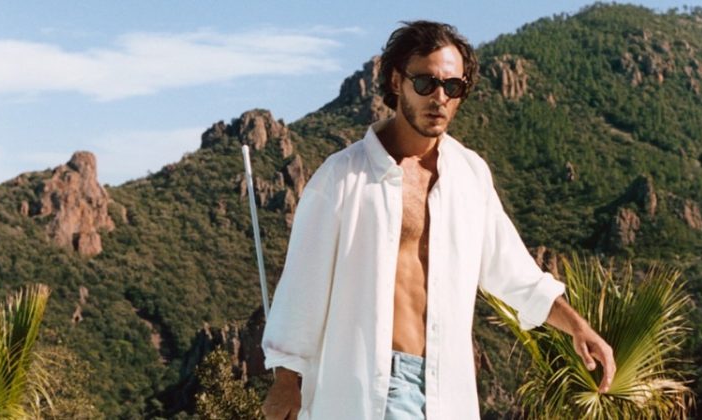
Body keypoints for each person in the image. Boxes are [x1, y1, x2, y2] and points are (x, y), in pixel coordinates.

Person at [261, 20, 615, 420]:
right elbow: (302, 285)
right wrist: (286, 381)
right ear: (397, 82)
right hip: (371, 387)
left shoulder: (470, 174)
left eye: (452, 87)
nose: (439, 98)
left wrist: (579, 328)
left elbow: (514, 273)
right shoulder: (343, 177)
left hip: (448, 389)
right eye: (426, 83)